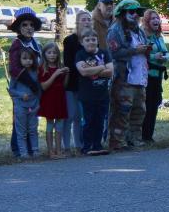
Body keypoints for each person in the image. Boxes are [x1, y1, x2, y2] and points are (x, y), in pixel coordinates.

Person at [106, 0, 149, 151]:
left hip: (139, 77)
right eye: (132, 12)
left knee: (139, 110)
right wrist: (134, 51)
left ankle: (134, 139)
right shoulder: (115, 30)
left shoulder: (139, 30)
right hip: (124, 79)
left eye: (138, 12)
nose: (136, 15)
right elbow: (114, 53)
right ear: (122, 13)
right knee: (122, 110)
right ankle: (117, 141)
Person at [7, 7, 43, 157]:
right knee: (20, 121)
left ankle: (32, 149)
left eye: (31, 25)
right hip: (22, 89)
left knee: (32, 121)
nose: (29, 28)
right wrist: (31, 84)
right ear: (18, 27)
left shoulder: (35, 44)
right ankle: (18, 150)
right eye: (24, 25)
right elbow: (14, 69)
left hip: (36, 91)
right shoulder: (17, 44)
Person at [75, 29, 113, 155]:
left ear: (97, 41)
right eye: (87, 40)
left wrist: (93, 69)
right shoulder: (80, 55)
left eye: (93, 39)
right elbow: (83, 72)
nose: (90, 42)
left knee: (100, 120)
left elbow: (110, 71)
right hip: (87, 96)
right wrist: (102, 67)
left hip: (102, 95)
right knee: (88, 121)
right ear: (82, 42)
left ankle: (97, 144)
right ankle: (87, 146)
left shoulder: (104, 53)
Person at [62, 10, 93, 153]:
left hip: (87, 84)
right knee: (70, 115)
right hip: (72, 83)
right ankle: (66, 146)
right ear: (77, 22)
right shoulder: (70, 40)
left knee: (82, 116)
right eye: (83, 19)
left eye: (88, 19)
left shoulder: (92, 39)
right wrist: (85, 68)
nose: (86, 22)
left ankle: (80, 145)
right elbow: (68, 63)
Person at [141, 9, 169, 143]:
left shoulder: (159, 36)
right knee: (146, 106)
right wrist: (154, 56)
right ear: (147, 21)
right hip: (147, 76)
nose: (156, 21)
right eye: (152, 18)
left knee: (155, 104)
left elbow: (167, 54)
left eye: (157, 18)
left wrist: (165, 57)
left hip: (158, 75)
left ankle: (149, 136)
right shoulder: (143, 36)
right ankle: (142, 135)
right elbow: (141, 54)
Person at [8, 48, 41, 160]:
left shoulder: (36, 72)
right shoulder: (16, 75)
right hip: (20, 106)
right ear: (19, 60)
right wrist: (21, 94)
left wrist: (39, 104)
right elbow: (11, 90)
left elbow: (39, 90)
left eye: (30, 59)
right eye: (25, 58)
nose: (28, 61)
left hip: (34, 105)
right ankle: (23, 153)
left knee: (33, 129)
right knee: (21, 131)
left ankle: (35, 151)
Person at [38, 43, 69, 159]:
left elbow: (64, 85)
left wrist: (66, 74)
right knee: (50, 124)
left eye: (54, 52)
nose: (52, 55)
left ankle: (59, 150)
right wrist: (55, 74)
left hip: (60, 99)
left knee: (60, 124)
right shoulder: (42, 68)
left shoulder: (60, 66)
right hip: (49, 99)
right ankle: (51, 151)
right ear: (44, 54)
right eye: (49, 52)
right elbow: (44, 86)